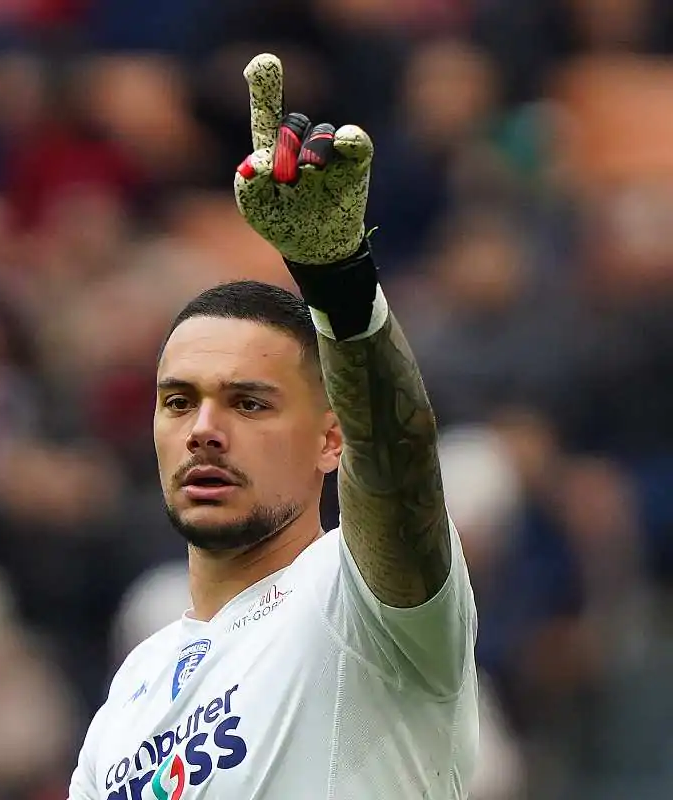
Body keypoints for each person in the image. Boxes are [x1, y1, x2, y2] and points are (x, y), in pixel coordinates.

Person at [67, 54, 478, 800]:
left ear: (332, 438)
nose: (204, 429)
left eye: (249, 403)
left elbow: (400, 459)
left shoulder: (362, 600)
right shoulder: (129, 695)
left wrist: (341, 284)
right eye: (178, 401)